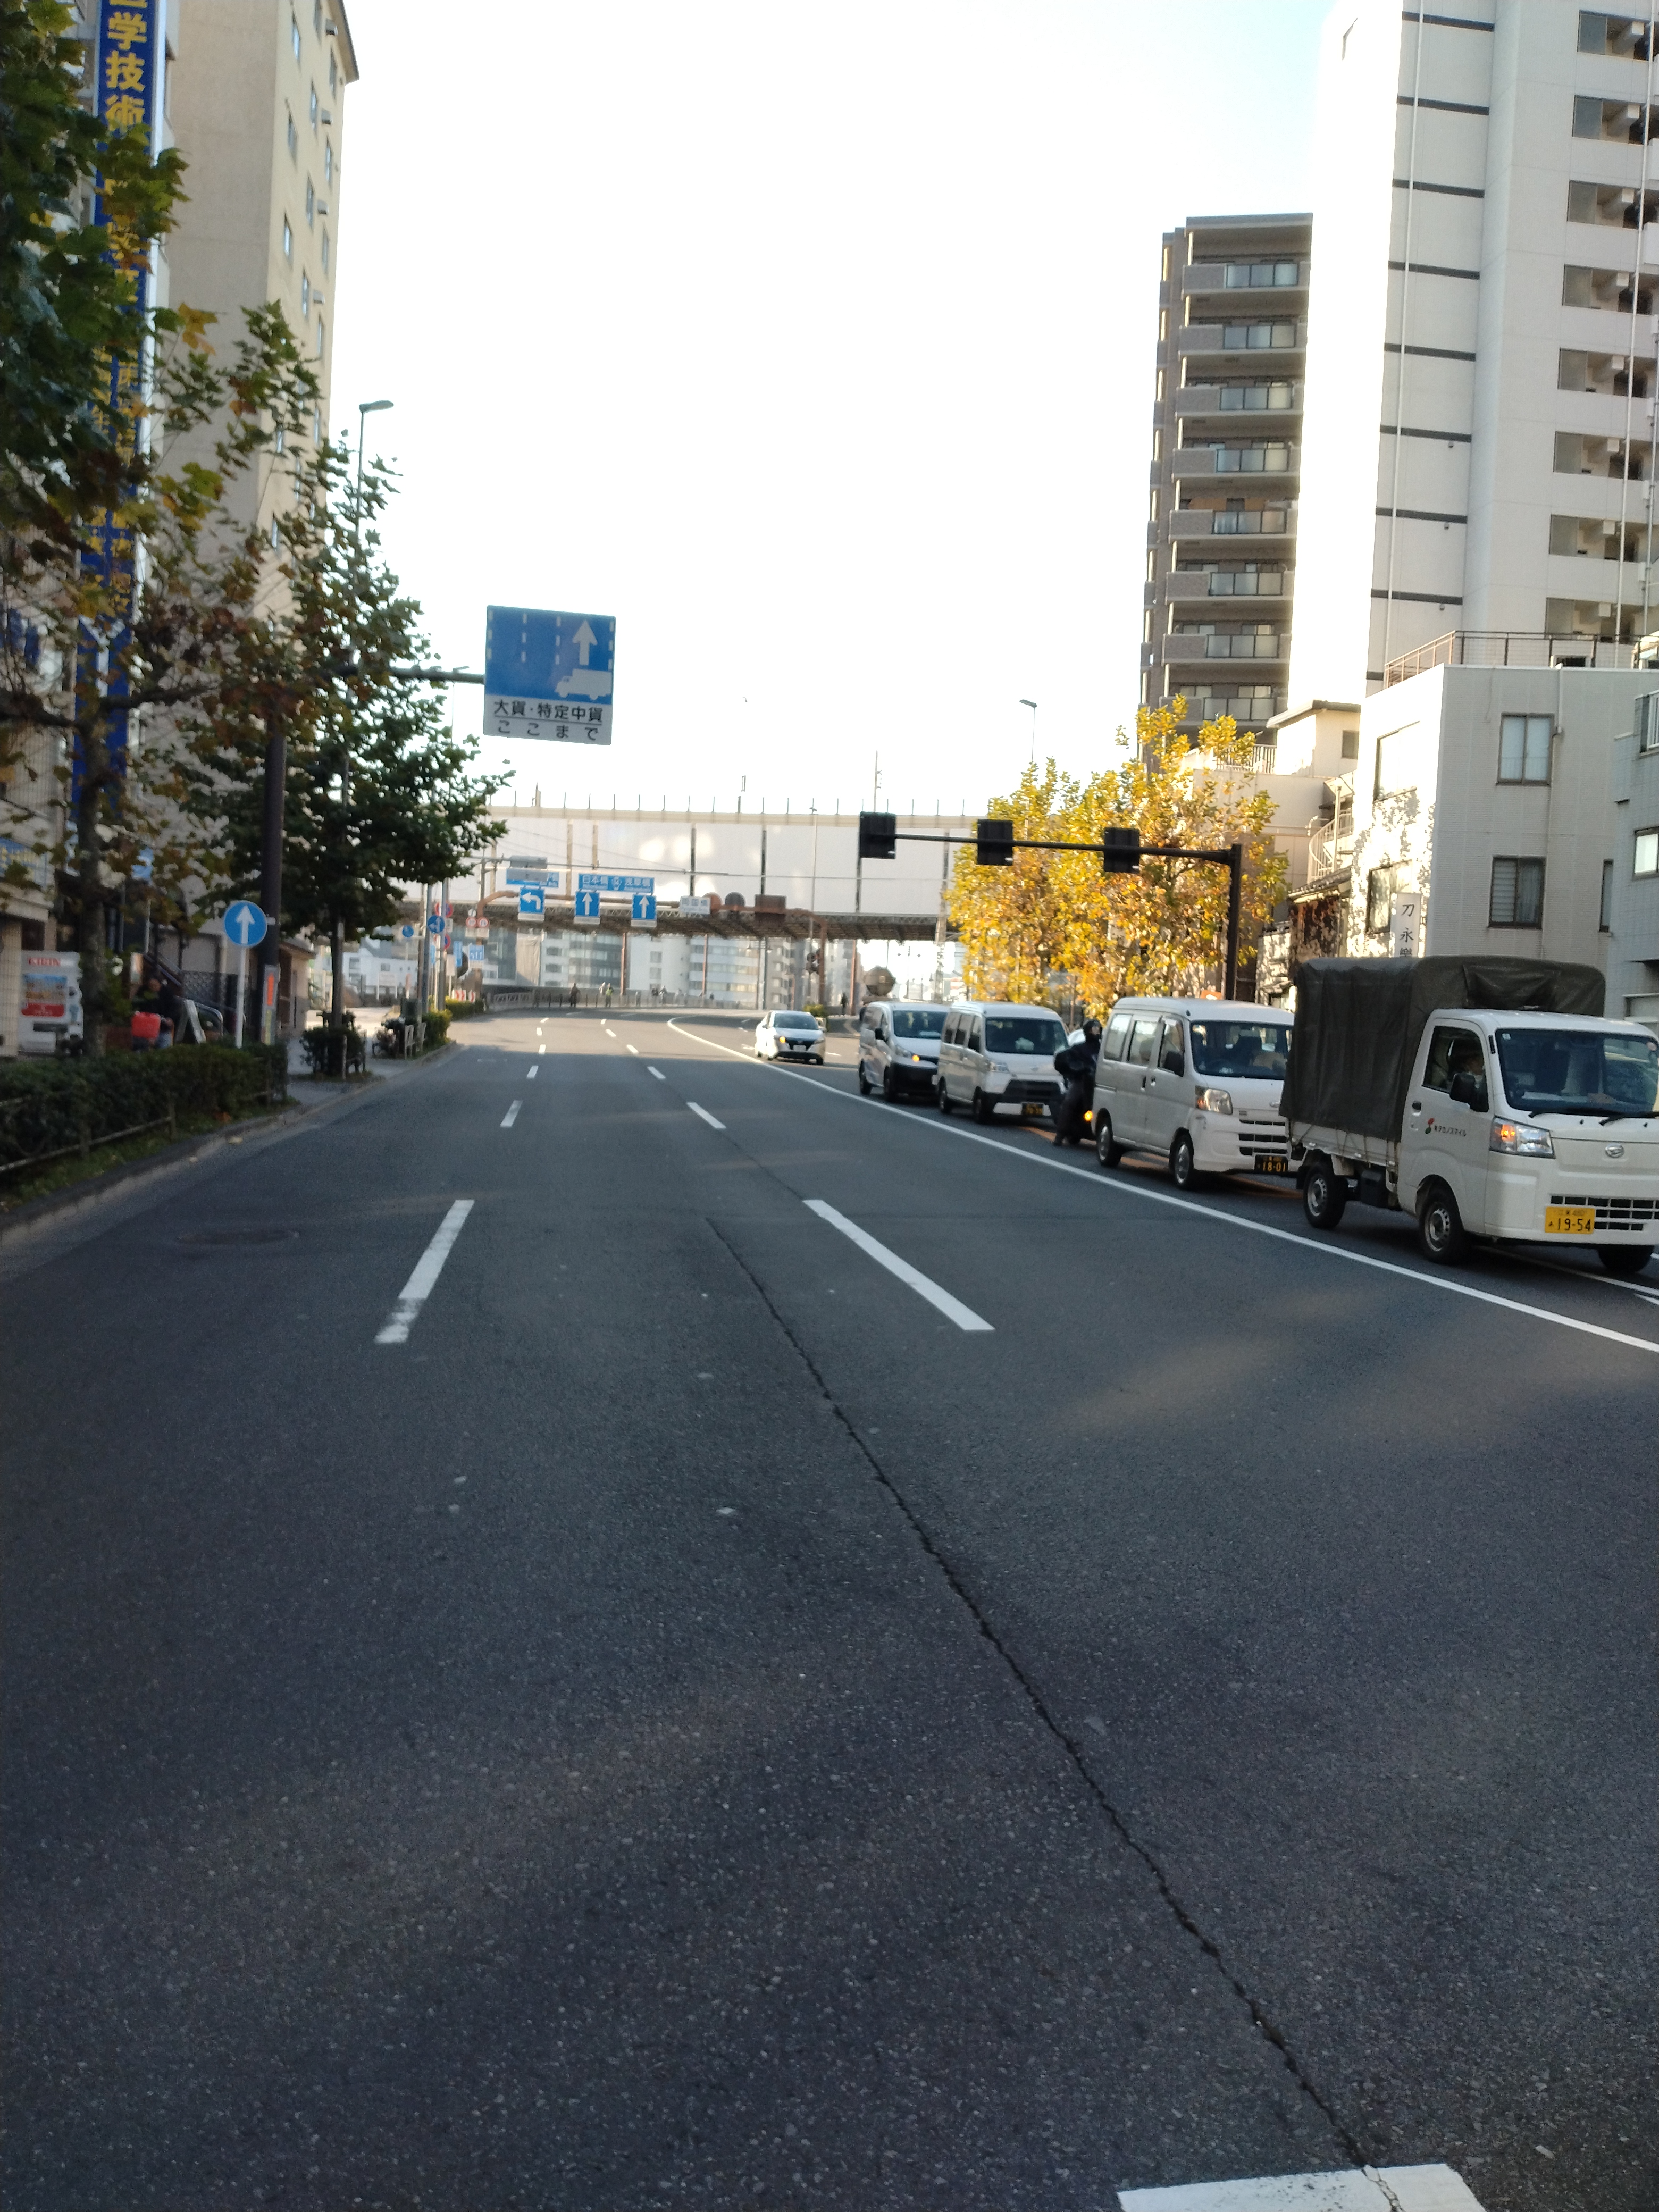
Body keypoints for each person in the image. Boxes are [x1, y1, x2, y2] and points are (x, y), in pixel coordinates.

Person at [1051, 1018, 1102, 1147]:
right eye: (1093, 1029)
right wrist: (1078, 1068)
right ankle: (1060, 1135)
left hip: (1101, 1083)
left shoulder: (1104, 1050)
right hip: (1083, 1081)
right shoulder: (1078, 1049)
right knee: (1070, 1101)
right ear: (1087, 1031)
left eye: (1098, 1029)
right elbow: (1066, 1059)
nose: (1096, 1032)